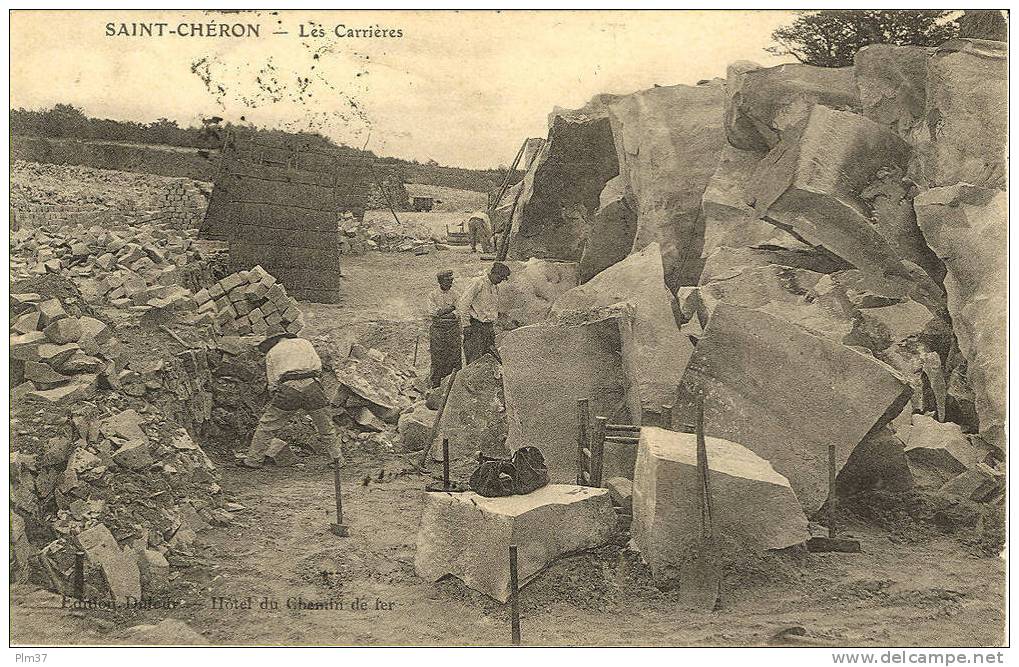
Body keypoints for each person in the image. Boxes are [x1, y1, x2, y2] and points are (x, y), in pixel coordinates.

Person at [241, 333, 343, 468]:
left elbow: (272, 383)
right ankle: (337, 459)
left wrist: (277, 395)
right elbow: (318, 367)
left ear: (273, 341)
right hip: (312, 386)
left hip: (289, 388)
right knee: (325, 426)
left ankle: (253, 461)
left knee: (267, 426)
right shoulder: (305, 342)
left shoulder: (272, 352)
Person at [459, 262, 511, 364]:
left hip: (488, 327)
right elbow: (463, 304)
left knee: (490, 357)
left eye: (503, 279)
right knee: (475, 358)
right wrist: (466, 325)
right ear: (493, 273)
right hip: (475, 326)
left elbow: (490, 308)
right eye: (500, 278)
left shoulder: (495, 287)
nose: (501, 281)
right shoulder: (478, 283)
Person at [427, 269, 462, 388]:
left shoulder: (456, 294)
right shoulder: (432, 295)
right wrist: (450, 309)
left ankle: (454, 384)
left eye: (451, 280)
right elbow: (433, 313)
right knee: (437, 354)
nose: (450, 283)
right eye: (447, 281)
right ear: (440, 281)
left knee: (454, 354)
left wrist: (444, 313)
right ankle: (436, 383)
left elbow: (458, 312)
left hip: (452, 328)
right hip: (438, 329)